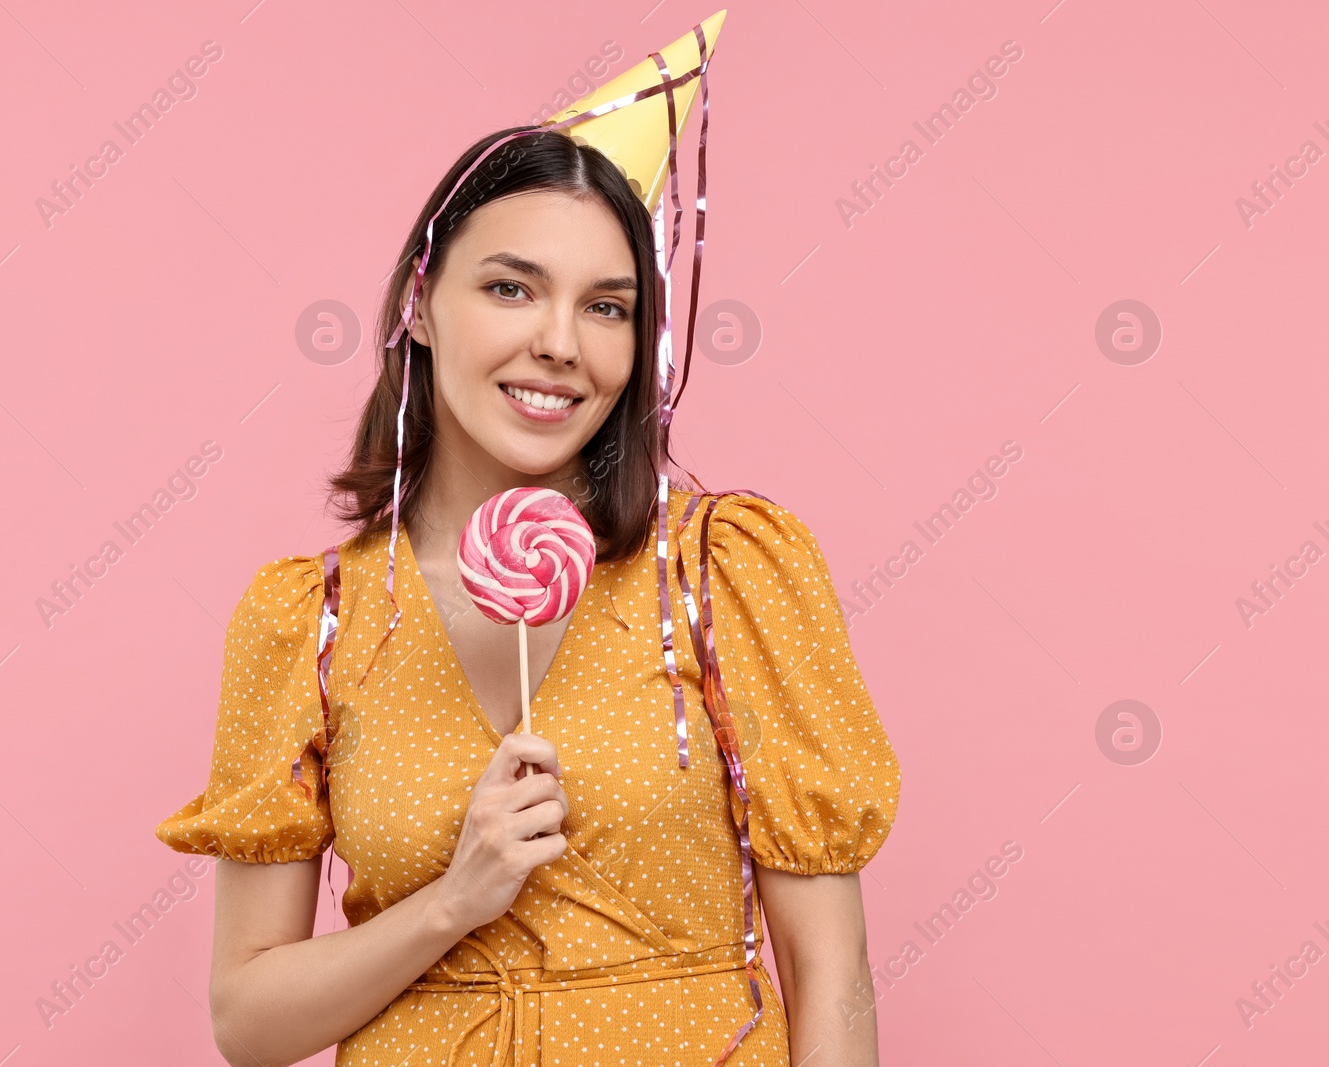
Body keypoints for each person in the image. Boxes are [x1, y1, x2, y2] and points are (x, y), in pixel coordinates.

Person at [155, 13, 901, 1066]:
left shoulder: (722, 570)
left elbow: (830, 969)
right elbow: (248, 1019)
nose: (558, 343)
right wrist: (452, 900)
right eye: (510, 287)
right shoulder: (310, 619)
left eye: (607, 306)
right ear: (420, 300)